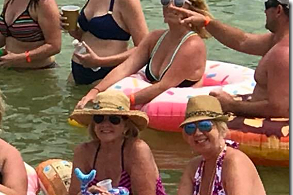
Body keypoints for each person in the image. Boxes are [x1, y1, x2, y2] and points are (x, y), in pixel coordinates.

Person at [164, 95, 289, 195]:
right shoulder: (193, 167)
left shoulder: (234, 162)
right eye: (190, 128)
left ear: (221, 128)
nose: (197, 133)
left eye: (205, 125)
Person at [76, 0, 211, 109]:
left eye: (178, 2)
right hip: (148, 115)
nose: (170, 6)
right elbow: (125, 67)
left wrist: (121, 102)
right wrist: (95, 91)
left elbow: (164, 86)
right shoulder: (155, 38)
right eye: (165, 2)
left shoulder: (192, 45)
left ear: (192, 9)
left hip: (176, 118)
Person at [170, 0, 289, 118]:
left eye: (268, 4)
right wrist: (207, 22)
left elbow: (279, 109)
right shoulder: (276, 40)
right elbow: (243, 41)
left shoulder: (283, 53)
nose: (264, 11)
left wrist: (231, 106)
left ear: (278, 10)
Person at [67, 90, 172, 195]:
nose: (105, 124)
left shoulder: (137, 150)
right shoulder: (83, 151)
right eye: (99, 118)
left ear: (126, 125)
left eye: (114, 119)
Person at [62, 0, 148, 85]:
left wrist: (100, 61)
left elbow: (145, 48)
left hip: (106, 73)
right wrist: (73, 30)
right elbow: (90, 36)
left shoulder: (128, 2)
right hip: (78, 70)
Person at [0, 0, 61, 70]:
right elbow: (6, 32)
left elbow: (54, 46)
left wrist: (19, 58)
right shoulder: (9, 1)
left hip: (39, 73)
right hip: (8, 70)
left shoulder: (44, 3)